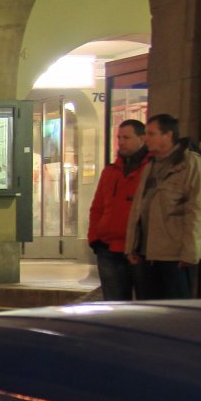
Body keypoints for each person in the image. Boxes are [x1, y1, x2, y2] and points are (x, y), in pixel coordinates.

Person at [126, 113, 201, 299]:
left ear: (168, 135)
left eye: (151, 134)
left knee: (176, 308)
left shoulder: (190, 163)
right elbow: (138, 207)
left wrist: (190, 253)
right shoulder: (150, 166)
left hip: (175, 255)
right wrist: (132, 245)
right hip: (148, 253)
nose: (145, 138)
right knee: (151, 307)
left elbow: (198, 208)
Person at [86, 119, 150, 300]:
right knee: (114, 304)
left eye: (126, 138)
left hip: (139, 249)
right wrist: (94, 239)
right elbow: (97, 207)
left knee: (146, 303)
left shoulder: (150, 169)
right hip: (108, 248)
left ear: (142, 139)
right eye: (119, 137)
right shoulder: (111, 171)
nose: (121, 142)